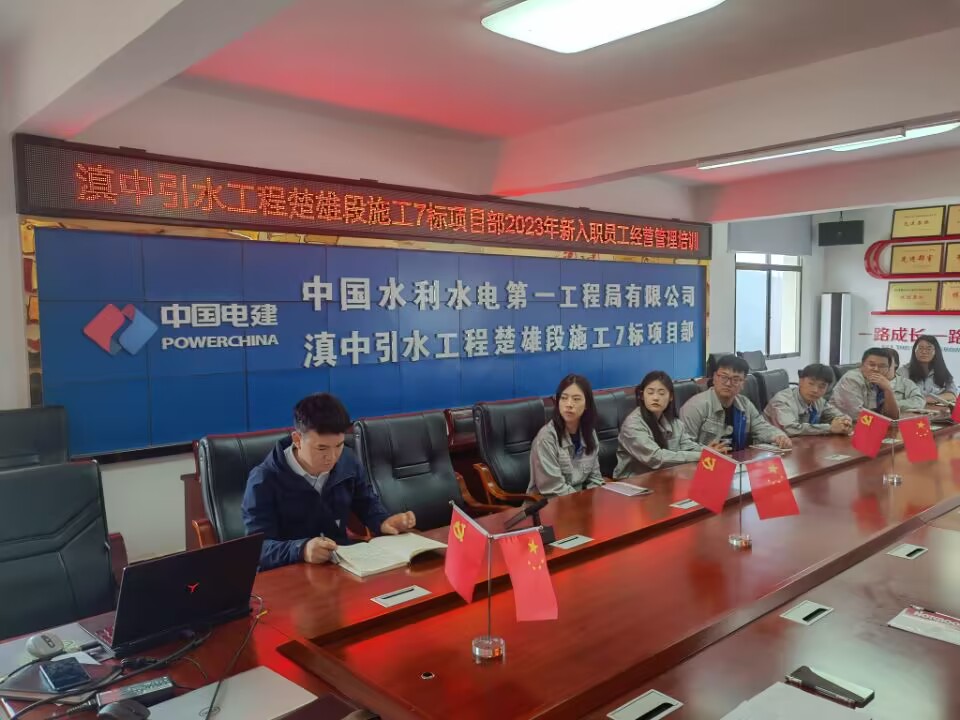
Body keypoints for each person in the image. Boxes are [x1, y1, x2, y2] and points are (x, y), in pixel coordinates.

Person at [242, 393, 416, 570]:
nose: (332, 457)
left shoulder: (348, 460)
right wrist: (301, 549)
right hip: (291, 572)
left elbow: (366, 503)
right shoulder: (264, 480)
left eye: (339, 445)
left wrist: (383, 521)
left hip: (343, 563)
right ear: (297, 440)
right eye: (322, 448)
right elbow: (257, 549)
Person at [679, 354, 792, 451]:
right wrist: (706, 451)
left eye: (736, 379)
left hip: (737, 462)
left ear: (743, 383)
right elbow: (684, 446)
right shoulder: (695, 407)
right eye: (724, 377)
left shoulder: (745, 405)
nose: (728, 383)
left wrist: (779, 437)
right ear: (714, 378)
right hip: (705, 464)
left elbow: (762, 427)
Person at [614, 371, 704, 478]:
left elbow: (687, 446)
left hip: (664, 477)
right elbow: (656, 458)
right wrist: (700, 456)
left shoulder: (674, 423)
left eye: (661, 393)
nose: (655, 398)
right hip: (632, 481)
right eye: (650, 393)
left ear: (671, 397)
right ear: (642, 396)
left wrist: (711, 453)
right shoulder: (632, 424)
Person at [528, 374, 603, 496]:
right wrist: (583, 502)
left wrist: (592, 501)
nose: (569, 404)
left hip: (581, 500)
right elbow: (553, 489)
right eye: (564, 398)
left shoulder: (589, 434)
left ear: (587, 404)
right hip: (551, 503)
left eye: (576, 399)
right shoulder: (546, 438)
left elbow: (595, 479)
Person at [764, 363, 852, 436]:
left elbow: (836, 415)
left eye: (822, 386)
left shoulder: (818, 401)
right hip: (770, 445)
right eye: (811, 383)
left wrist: (844, 422)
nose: (815, 390)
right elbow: (791, 429)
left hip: (802, 444)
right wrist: (829, 428)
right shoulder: (782, 401)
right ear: (801, 381)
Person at [828, 348, 900, 419]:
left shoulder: (882, 383)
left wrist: (888, 390)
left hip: (867, 423)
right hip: (839, 423)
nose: (876, 369)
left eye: (882, 366)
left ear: (888, 369)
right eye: (872, 365)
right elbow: (857, 416)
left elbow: (893, 417)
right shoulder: (851, 379)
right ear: (862, 365)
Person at [901, 334, 957, 403]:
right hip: (911, 408)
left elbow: (952, 394)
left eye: (929, 349)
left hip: (936, 409)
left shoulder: (942, 371)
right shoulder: (903, 371)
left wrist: (931, 399)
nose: (924, 352)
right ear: (914, 351)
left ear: (936, 351)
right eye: (920, 348)